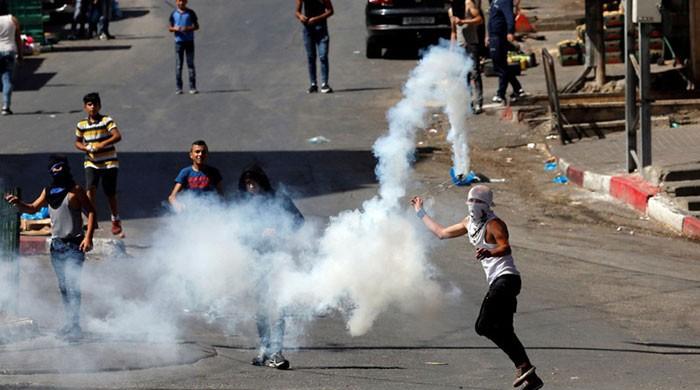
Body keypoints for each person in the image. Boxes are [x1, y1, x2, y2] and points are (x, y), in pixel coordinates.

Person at [411, 185, 544, 390]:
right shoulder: (468, 223)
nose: (473, 206)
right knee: (505, 330)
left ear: (488, 206)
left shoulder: (495, 224)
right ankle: (529, 374)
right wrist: (420, 212)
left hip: (506, 280)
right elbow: (442, 233)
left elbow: (505, 246)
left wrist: (490, 253)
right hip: (499, 282)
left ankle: (523, 366)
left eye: (478, 202)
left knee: (483, 326)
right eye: (471, 201)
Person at [4, 155, 96, 340]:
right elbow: (32, 208)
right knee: (63, 287)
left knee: (73, 286)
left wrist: (88, 237)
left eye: (60, 168)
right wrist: (18, 203)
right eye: (54, 169)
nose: (57, 172)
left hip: (74, 245)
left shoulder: (75, 190)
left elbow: (91, 211)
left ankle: (75, 326)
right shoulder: (49, 191)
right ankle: (69, 324)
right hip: (57, 246)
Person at [239, 164, 304, 370]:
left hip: (277, 258)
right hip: (256, 260)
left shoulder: (278, 199)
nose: (251, 187)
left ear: (261, 181)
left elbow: (298, 221)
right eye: (247, 183)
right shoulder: (243, 205)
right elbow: (236, 232)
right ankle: (265, 348)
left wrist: (278, 230)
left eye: (253, 182)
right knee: (261, 309)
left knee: (277, 306)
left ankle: (277, 352)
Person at [74, 92, 124, 235]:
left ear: (99, 106)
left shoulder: (106, 120)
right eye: (89, 105)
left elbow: (117, 136)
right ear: (85, 107)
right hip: (91, 161)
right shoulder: (81, 124)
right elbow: (77, 142)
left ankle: (115, 219)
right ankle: (92, 219)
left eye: (95, 104)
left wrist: (102, 144)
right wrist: (85, 148)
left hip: (109, 161)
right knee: (90, 189)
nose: (92, 107)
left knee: (110, 192)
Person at [486, 0, 526, 105]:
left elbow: (509, 16)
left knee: (499, 66)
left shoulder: (504, 1)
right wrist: (488, 35)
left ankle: (501, 94)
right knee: (500, 65)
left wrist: (510, 31)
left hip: (499, 37)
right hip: (494, 36)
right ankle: (518, 88)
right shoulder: (494, 1)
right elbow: (491, 19)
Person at [450, 0, 485, 114]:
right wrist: (452, 47)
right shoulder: (451, 11)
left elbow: (479, 19)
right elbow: (454, 31)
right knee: (464, 75)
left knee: (474, 72)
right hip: (460, 45)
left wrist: (464, 21)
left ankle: (478, 102)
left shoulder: (468, 4)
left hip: (471, 43)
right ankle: (469, 103)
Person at [168, 140, 223, 211]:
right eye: (197, 152)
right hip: (190, 214)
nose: (200, 154)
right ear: (191, 155)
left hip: (209, 214)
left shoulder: (214, 172)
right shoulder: (185, 172)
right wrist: (177, 205)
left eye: (203, 152)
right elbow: (172, 197)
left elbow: (220, 196)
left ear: (206, 154)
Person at [295, 0, 334, 94]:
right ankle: (313, 84)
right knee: (311, 57)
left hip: (321, 28)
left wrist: (317, 18)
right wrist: (301, 17)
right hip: (308, 29)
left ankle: (324, 84)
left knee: (323, 55)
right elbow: (297, 12)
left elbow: (330, 11)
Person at [168, 0, 199, 95]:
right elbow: (170, 27)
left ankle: (192, 87)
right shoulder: (173, 14)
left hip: (189, 42)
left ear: (186, 2)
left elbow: (197, 26)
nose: (181, 3)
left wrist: (187, 28)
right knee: (178, 65)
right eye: (179, 1)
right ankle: (179, 87)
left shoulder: (191, 13)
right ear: (176, 2)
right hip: (179, 43)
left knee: (190, 64)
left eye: (183, 1)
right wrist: (175, 29)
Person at [0, 0, 22, 116]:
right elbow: (18, 38)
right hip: (9, 51)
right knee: (7, 79)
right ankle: (5, 106)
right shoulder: (13, 20)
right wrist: (21, 54)